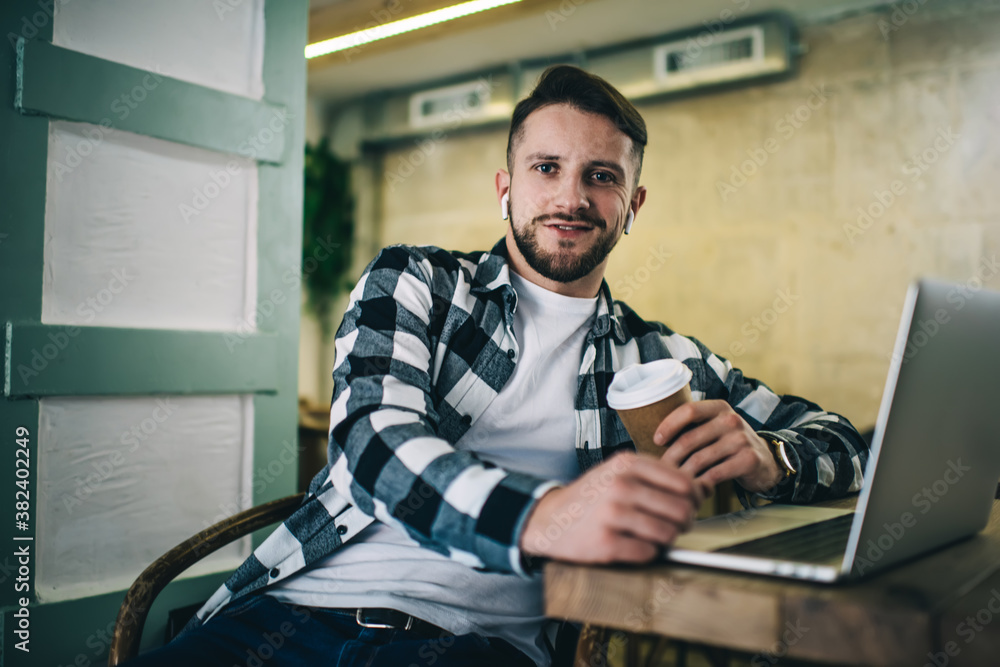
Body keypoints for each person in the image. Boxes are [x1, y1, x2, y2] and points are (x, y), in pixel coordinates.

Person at [127, 65, 868, 667]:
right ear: (506, 186)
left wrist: (772, 457)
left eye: (601, 177)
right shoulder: (416, 284)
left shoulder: (663, 358)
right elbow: (372, 444)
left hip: (474, 648)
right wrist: (545, 515)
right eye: (546, 167)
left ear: (633, 204)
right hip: (288, 618)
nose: (571, 196)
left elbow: (847, 441)